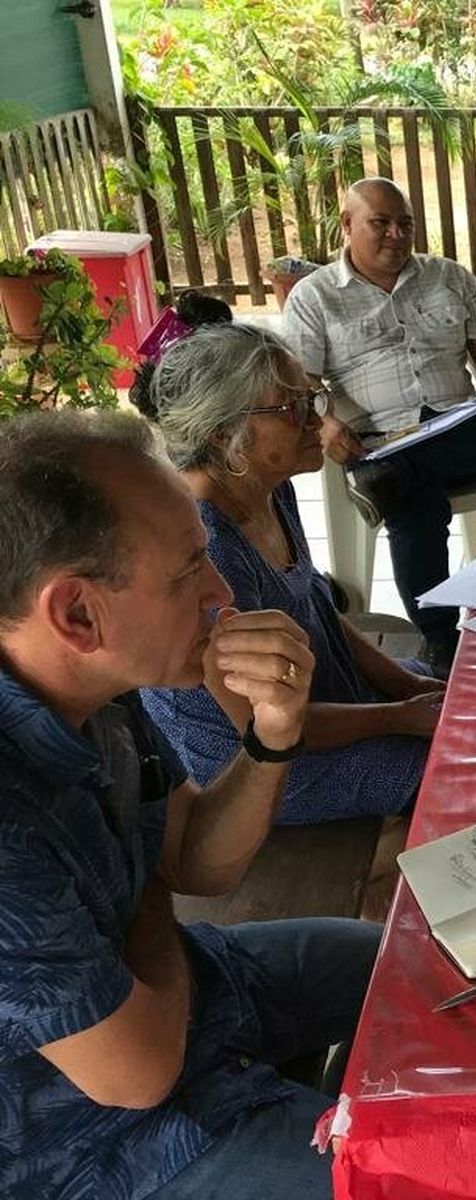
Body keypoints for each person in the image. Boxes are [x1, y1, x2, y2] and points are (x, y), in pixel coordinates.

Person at [0, 411, 378, 1200]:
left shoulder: (99, 687)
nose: (223, 593)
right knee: (413, 1182)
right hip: (97, 1145)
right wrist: (149, 897)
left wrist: (274, 736)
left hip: (197, 994)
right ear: (75, 614)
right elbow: (135, 1075)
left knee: (414, 963)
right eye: (189, 572)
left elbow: (197, 858)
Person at [131, 318, 440, 825]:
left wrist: (404, 687)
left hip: (314, 698)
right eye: (291, 409)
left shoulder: (267, 486)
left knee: (457, 699)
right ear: (224, 431)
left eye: (311, 399)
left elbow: (313, 601)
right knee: (443, 766)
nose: (317, 419)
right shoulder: (205, 544)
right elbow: (263, 726)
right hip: (260, 764)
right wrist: (397, 715)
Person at [281, 177, 476, 671]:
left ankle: (399, 481)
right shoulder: (315, 298)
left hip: (459, 427)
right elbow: (302, 384)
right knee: (413, 497)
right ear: (347, 226)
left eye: (405, 224)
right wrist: (326, 423)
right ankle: (440, 636)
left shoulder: (448, 277)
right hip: (379, 441)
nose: (396, 236)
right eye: (380, 224)